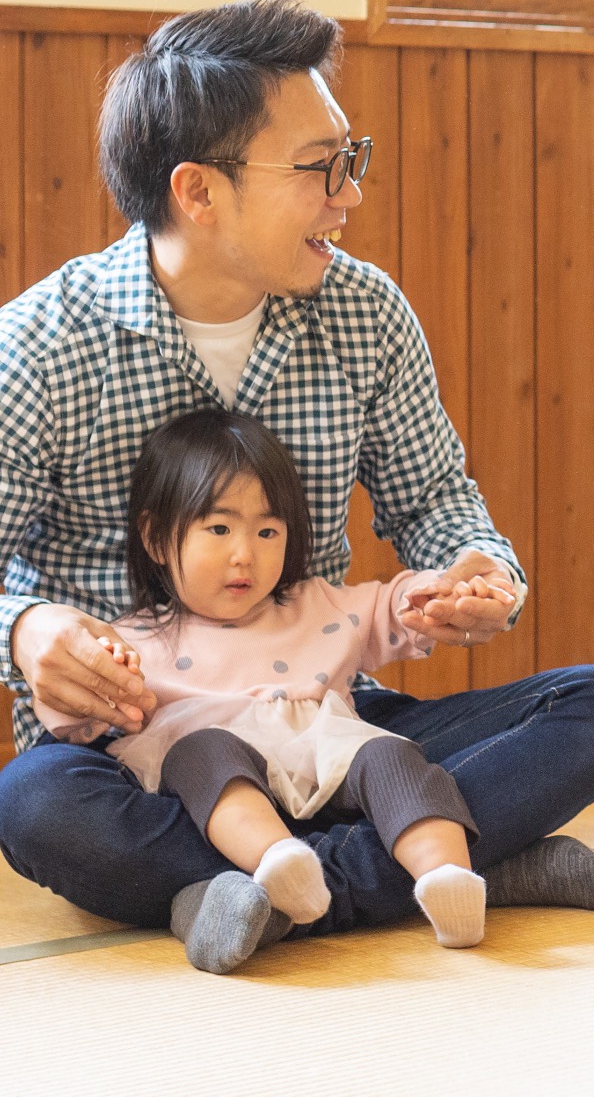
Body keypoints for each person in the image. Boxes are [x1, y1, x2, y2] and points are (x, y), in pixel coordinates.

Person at [0, 0, 594, 972]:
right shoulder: (35, 346)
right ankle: (453, 862)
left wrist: (475, 569)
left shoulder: (364, 313)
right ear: (199, 192)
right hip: (145, 758)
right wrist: (26, 631)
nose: (349, 194)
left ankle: (255, 892)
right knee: (35, 807)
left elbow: (431, 501)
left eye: (350, 157)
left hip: (333, 728)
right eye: (319, 168)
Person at [34, 411, 510, 960]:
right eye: (218, 529)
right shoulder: (129, 640)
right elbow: (71, 720)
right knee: (198, 753)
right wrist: (92, 675)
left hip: (324, 756)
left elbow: (395, 603)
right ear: (156, 538)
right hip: (216, 783)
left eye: (267, 532)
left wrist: (440, 594)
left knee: (391, 754)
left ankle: (449, 880)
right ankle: (282, 864)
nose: (245, 553)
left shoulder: (317, 606)